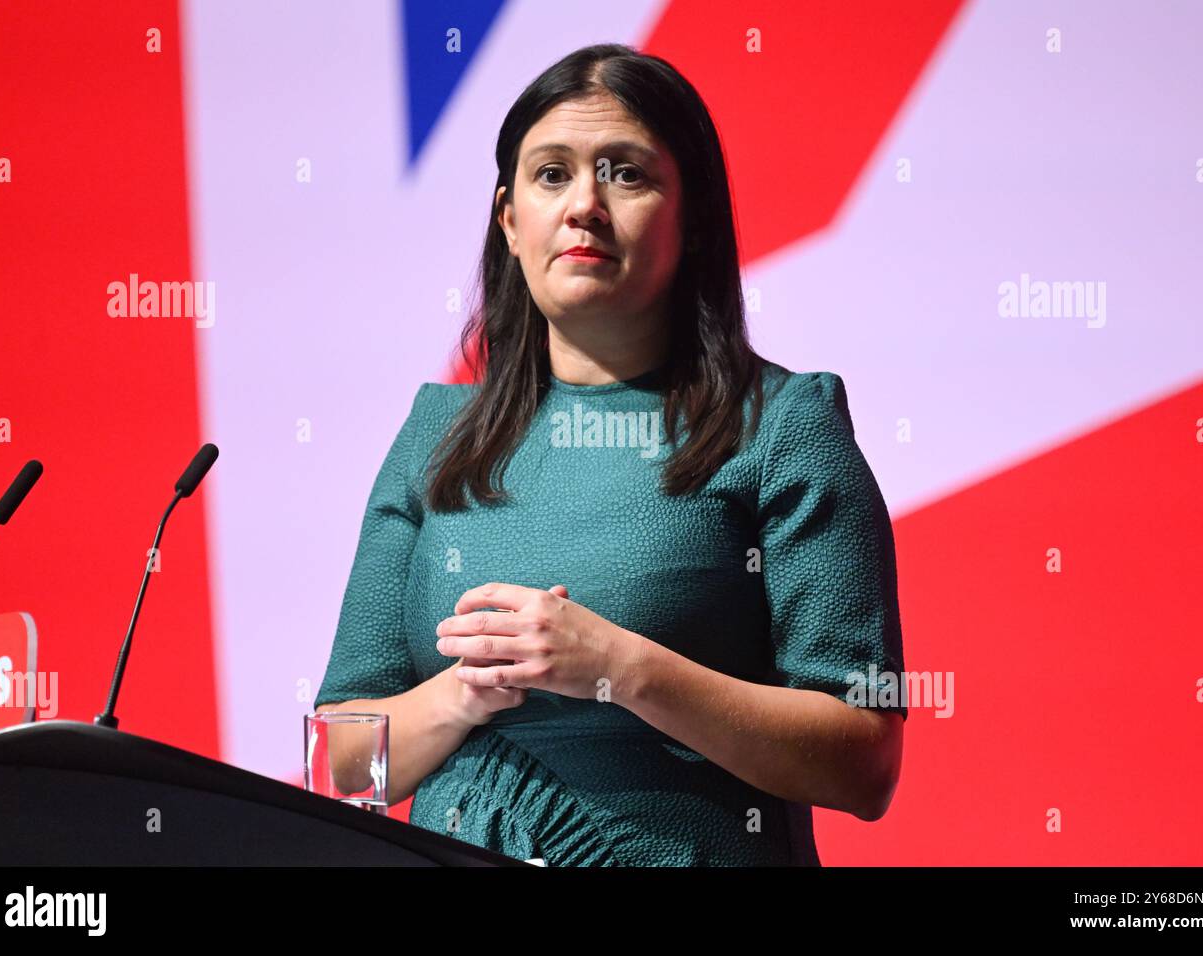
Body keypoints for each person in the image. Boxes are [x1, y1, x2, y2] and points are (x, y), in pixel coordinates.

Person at [314, 42, 906, 866]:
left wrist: (615, 666)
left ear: (691, 218)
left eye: (624, 173)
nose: (584, 204)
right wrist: (468, 691)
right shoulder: (434, 433)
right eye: (550, 174)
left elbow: (864, 757)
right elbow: (345, 760)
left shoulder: (783, 426)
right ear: (509, 220)